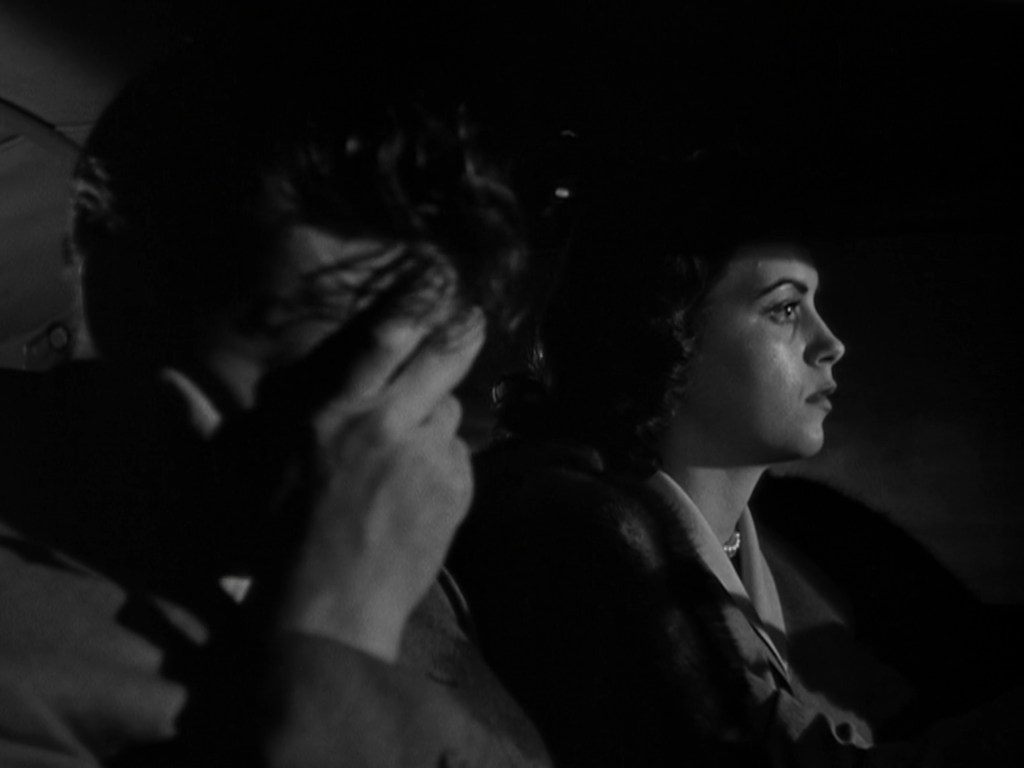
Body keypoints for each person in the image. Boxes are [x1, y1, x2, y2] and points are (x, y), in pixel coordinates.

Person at [0, 23, 552, 768]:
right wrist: (339, 627)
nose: (353, 426)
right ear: (108, 275)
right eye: (296, 345)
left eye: (406, 364)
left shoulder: (409, 570)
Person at [450, 155, 1024, 767]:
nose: (831, 344)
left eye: (814, 306)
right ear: (670, 337)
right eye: (784, 310)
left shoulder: (811, 554)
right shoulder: (579, 561)